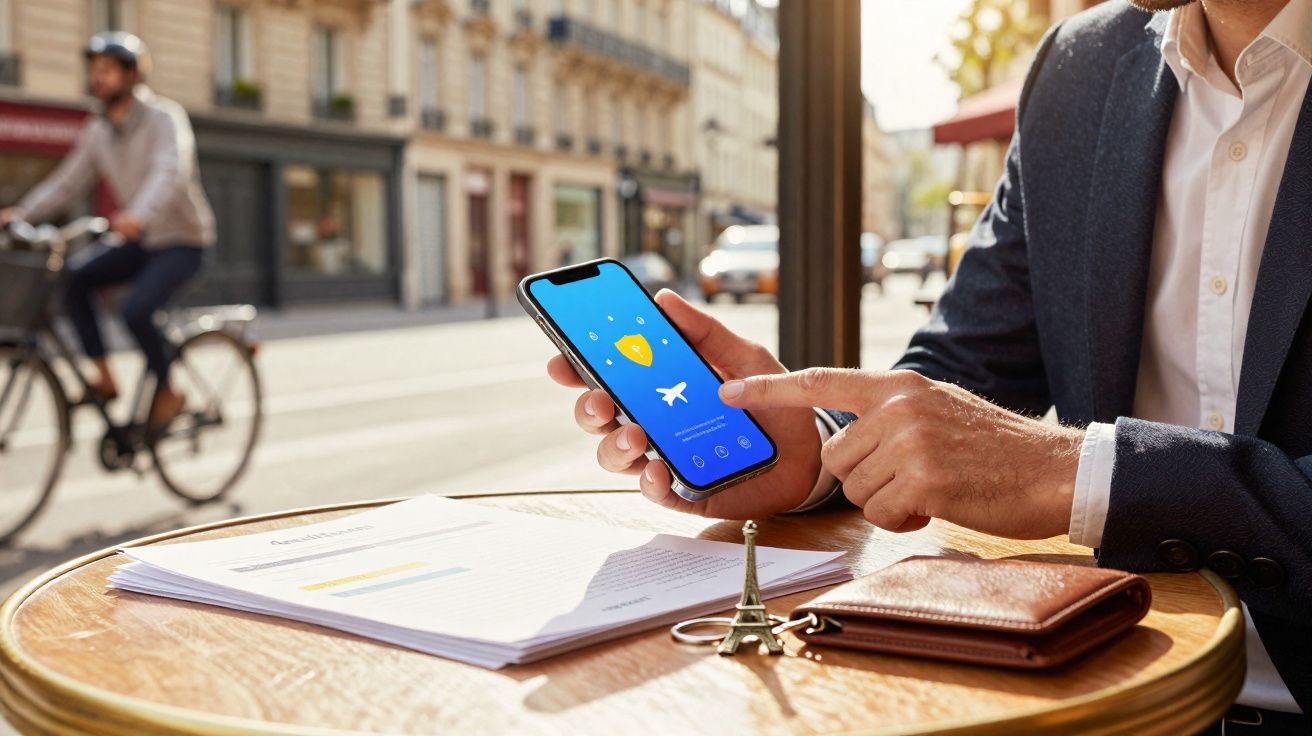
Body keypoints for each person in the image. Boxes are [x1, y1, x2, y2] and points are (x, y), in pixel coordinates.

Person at [548, 0, 1311, 732]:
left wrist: (1074, 473)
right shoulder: (1082, 67)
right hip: (1100, 689)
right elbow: (963, 360)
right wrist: (816, 448)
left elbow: (1038, 456)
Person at [0, 32, 216, 430]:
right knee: (76, 278)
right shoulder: (98, 130)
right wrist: (23, 211)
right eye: (94, 71)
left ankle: (169, 388)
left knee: (135, 311)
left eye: (107, 71)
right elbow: (68, 182)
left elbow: (170, 169)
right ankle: (104, 376)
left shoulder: (165, 117)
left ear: (132, 74)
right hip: (138, 239)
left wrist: (138, 213)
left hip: (182, 241)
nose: (97, 78)